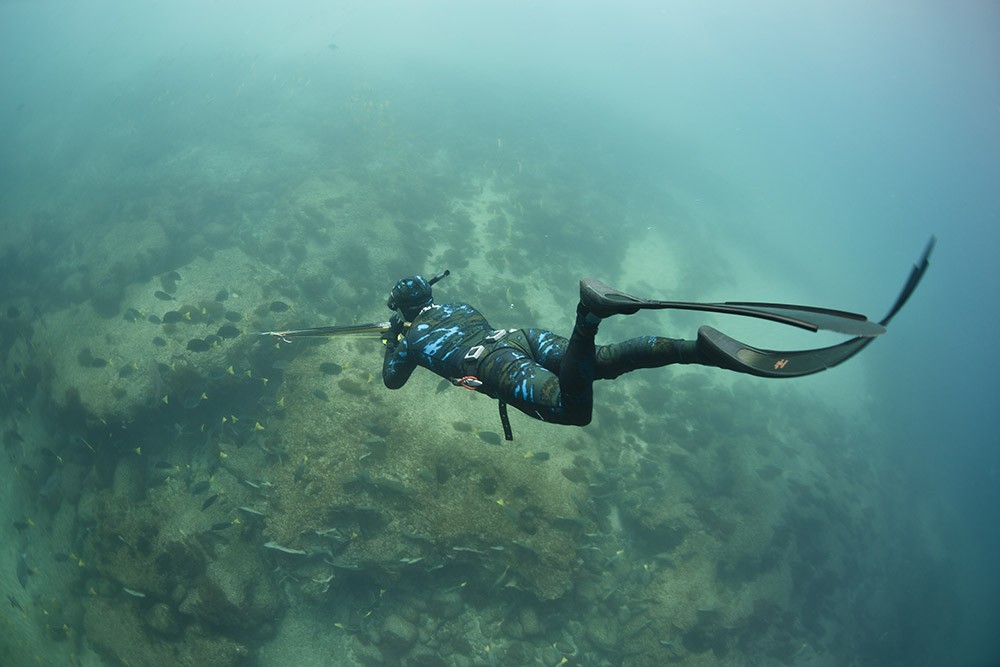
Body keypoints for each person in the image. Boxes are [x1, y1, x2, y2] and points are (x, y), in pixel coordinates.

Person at [380, 248, 934, 434]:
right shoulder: (452, 304)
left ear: (401, 313)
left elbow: (393, 379)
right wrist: (411, 322)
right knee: (597, 365)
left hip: (491, 361)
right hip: (512, 334)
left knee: (569, 409)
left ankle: (588, 315)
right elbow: (440, 314)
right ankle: (696, 350)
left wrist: (393, 341)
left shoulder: (408, 336)